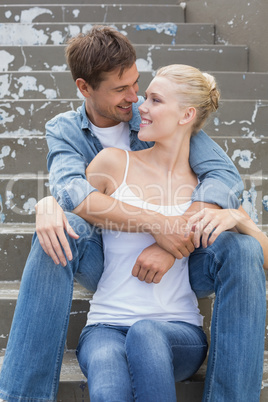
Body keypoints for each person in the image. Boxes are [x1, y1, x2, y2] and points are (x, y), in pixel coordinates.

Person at [0, 26, 265, 402]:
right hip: (104, 255)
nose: (136, 99)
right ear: (84, 88)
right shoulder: (68, 132)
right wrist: (49, 205)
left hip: (184, 268)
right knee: (60, 230)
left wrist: (174, 243)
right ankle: (23, 395)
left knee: (242, 249)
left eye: (137, 84)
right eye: (120, 89)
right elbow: (74, 193)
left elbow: (223, 176)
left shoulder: (160, 119)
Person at [75, 64, 268, 402]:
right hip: (105, 325)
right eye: (145, 97)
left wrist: (239, 217)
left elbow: (260, 258)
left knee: (146, 332)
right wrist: (45, 208)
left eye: (155, 100)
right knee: (109, 390)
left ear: (186, 115)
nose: (140, 107)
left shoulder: (206, 192)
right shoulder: (112, 163)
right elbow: (74, 205)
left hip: (177, 331)